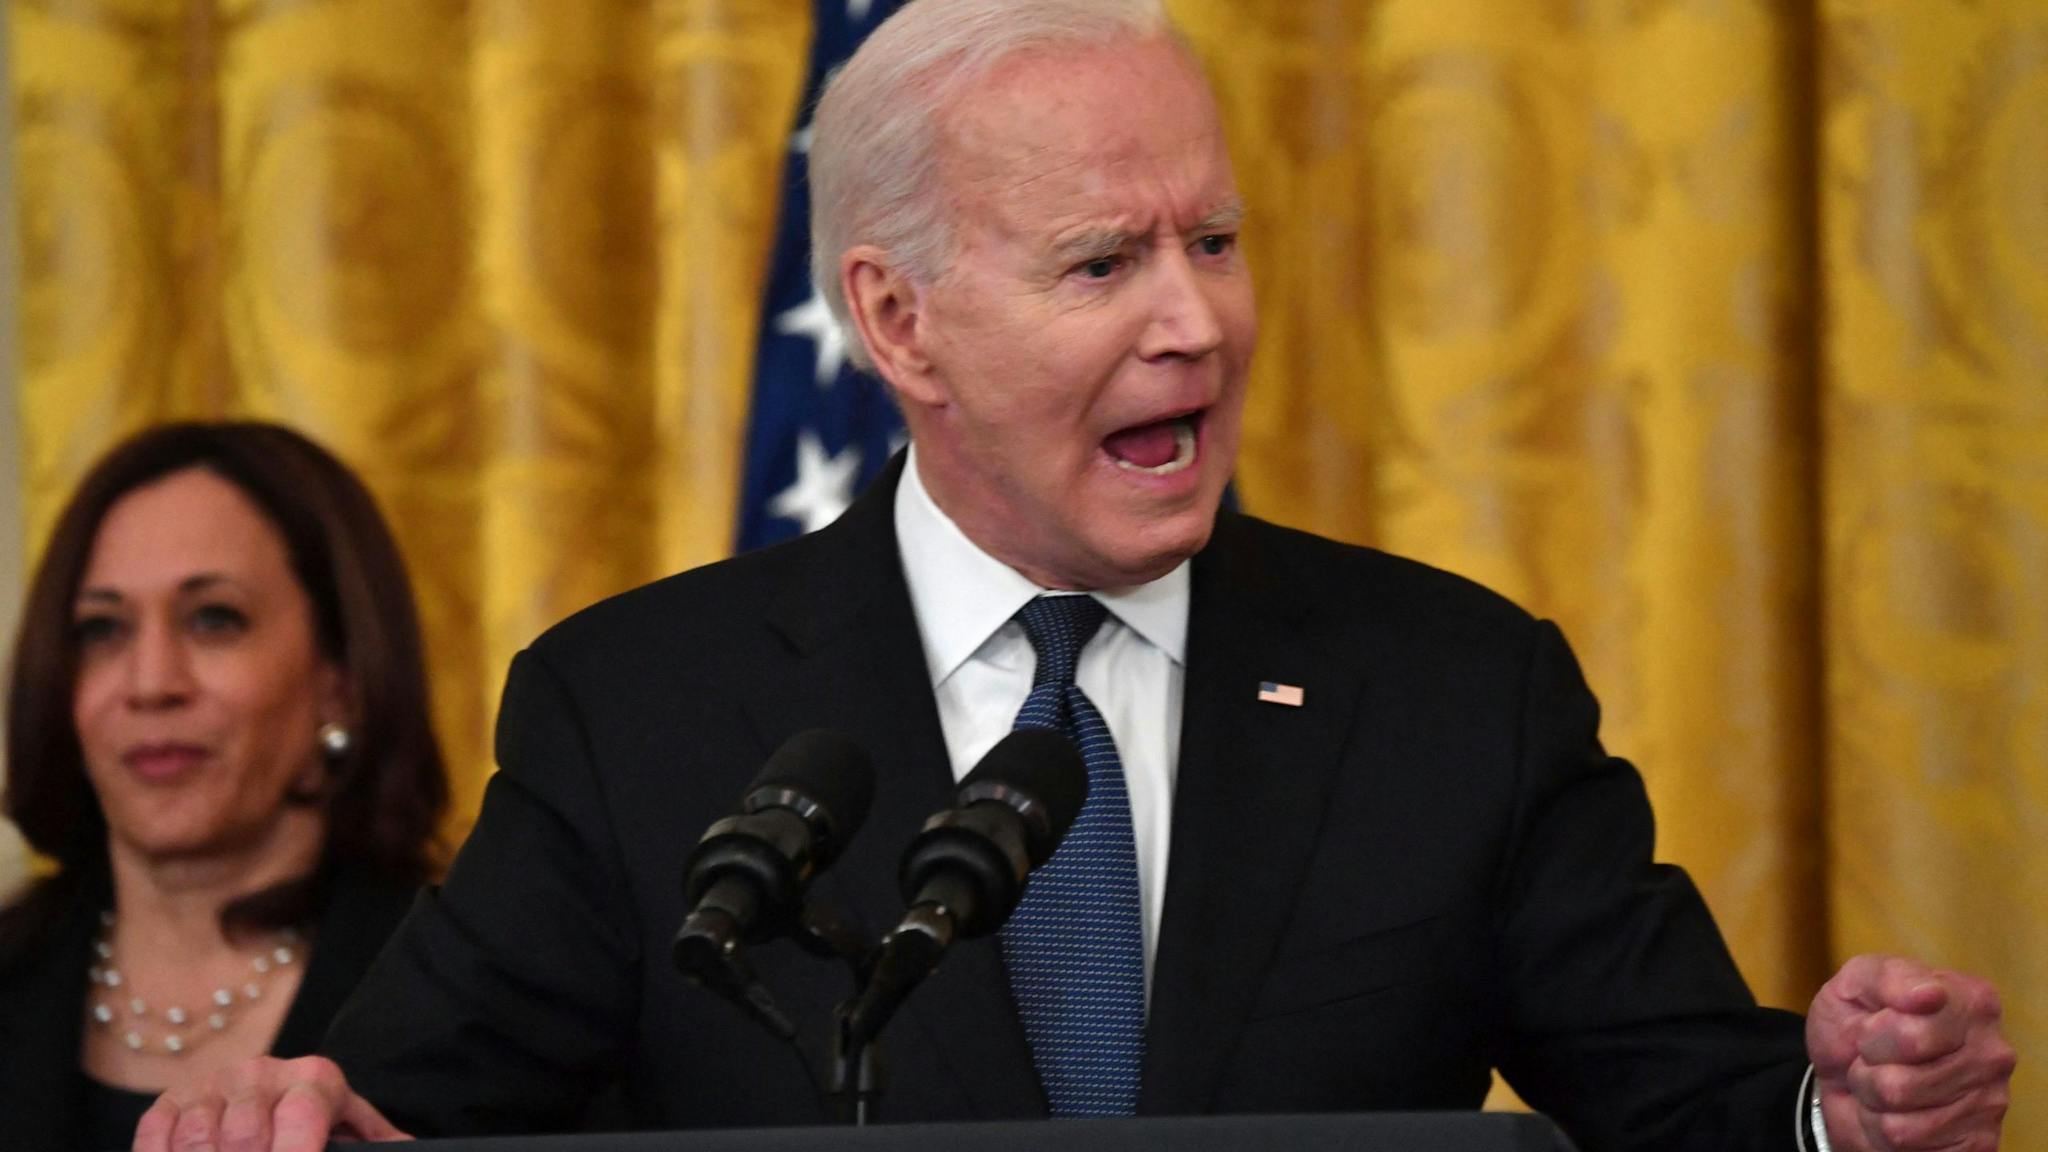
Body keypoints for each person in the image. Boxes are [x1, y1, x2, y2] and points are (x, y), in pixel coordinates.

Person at [136, 2, 2016, 1150]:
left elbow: (1692, 1101)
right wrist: (295, 1108)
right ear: (897, 319)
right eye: (1102, 264)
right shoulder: (640, 714)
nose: (1194, 322)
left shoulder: (1453, 690)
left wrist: (1841, 1115)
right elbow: (404, 1106)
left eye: (1211, 237)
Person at [0, 422, 449, 1150]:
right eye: (102, 630)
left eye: (214, 619)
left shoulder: (469, 998)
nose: (150, 684)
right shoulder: (14, 971)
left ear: (341, 682)